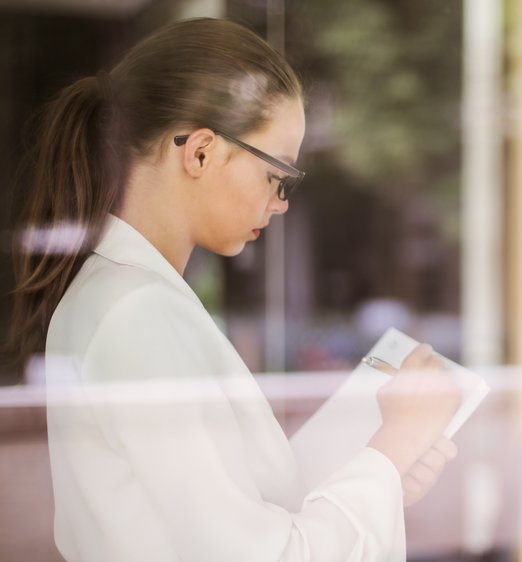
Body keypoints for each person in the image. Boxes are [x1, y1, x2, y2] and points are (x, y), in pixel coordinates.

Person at [7, 18, 461, 562]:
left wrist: (378, 479)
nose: (281, 202)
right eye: (277, 175)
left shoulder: (127, 294)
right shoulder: (138, 312)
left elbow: (231, 519)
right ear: (200, 152)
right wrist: (397, 444)